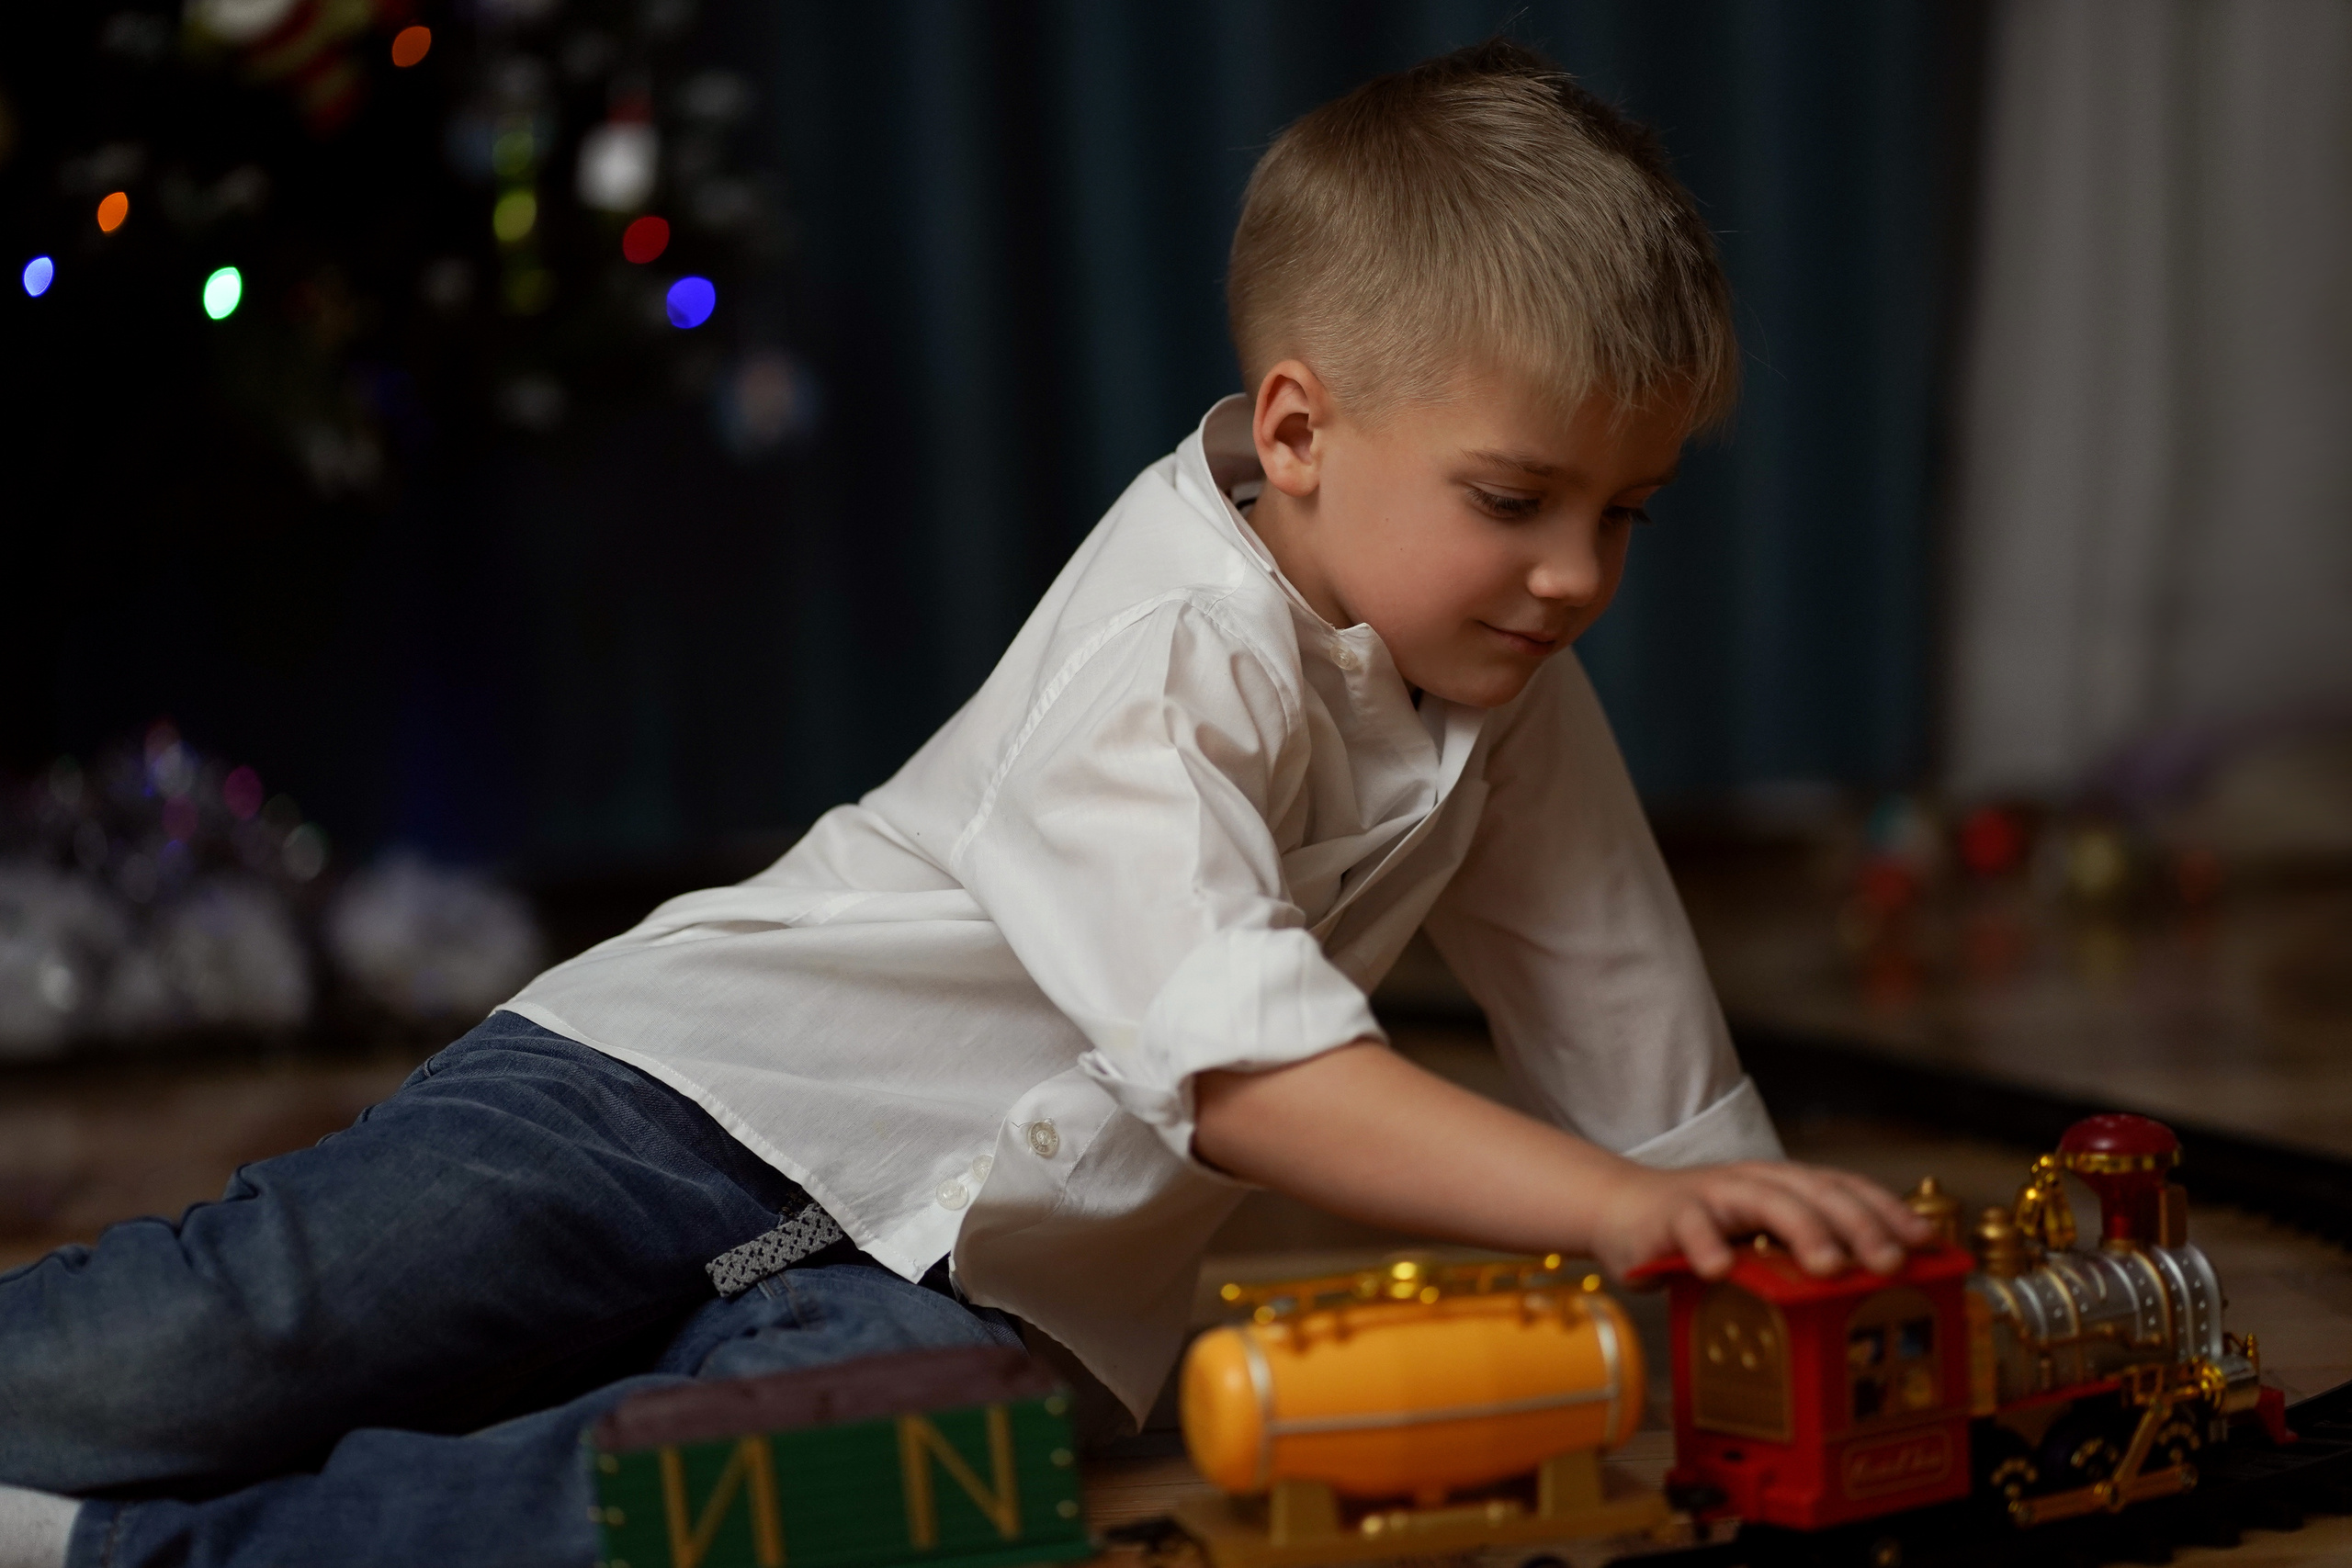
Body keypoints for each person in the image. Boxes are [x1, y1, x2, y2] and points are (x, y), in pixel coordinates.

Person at [0, 39, 1928, 1568]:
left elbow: (1636, 1045)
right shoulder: (1165, 649)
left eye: (1625, 515)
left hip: (1011, 1292)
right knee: (256, 1320)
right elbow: (1244, 1071)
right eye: (1516, 500)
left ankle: (127, 1551)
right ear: (1294, 429)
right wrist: (1607, 1210)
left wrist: (1761, 1257)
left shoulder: (1510, 694)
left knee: (869, 1494)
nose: (1576, 574)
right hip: (681, 1097)